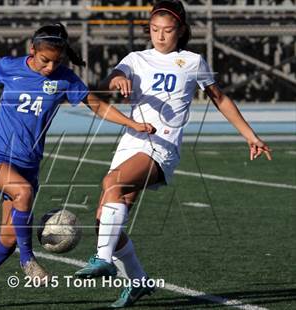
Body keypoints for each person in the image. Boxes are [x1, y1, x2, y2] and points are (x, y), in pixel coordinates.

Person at [74, 0, 272, 308]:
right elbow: (114, 77)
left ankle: (103, 260)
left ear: (181, 30)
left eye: (168, 30)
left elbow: (219, 98)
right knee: (105, 223)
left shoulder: (192, 61)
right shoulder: (136, 58)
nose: (161, 36)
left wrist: (250, 135)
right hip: (131, 141)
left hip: (162, 145)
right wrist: (116, 79)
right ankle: (137, 280)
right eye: (155, 30)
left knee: (112, 184)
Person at [0, 23, 155, 309]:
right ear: (32, 50)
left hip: (29, 163)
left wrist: (132, 124)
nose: (49, 67)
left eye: (56, 62)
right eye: (45, 60)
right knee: (22, 193)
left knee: (9, 237)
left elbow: (97, 105)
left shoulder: (64, 79)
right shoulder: (11, 67)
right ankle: (28, 261)